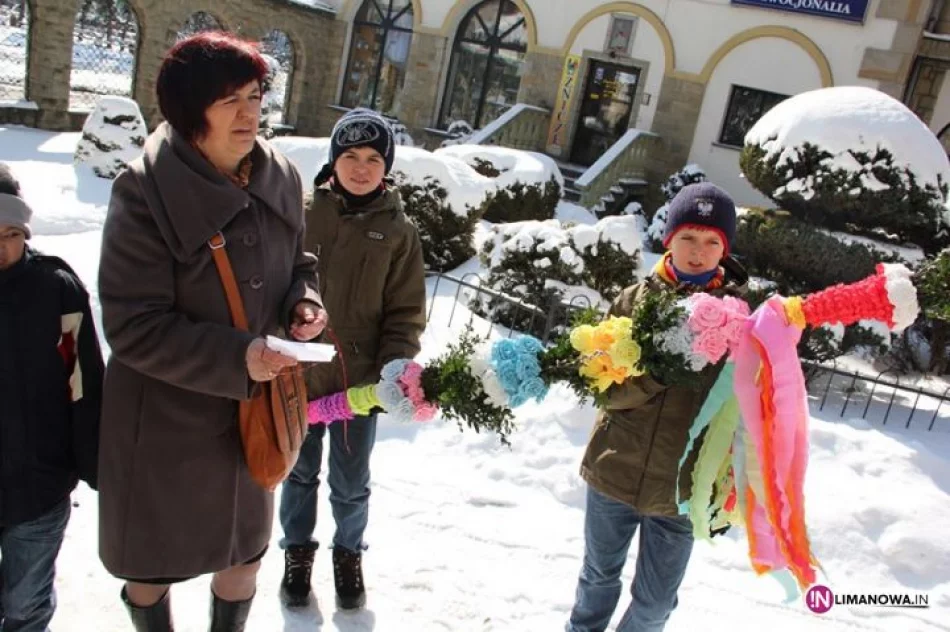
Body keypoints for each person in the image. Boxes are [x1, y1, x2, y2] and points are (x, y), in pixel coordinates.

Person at [96, 32, 326, 631]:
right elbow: (132, 324)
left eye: (254, 96)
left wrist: (303, 303)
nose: (250, 113)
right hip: (163, 423)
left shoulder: (278, 174)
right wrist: (238, 356)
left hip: (252, 423)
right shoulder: (145, 192)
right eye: (229, 100)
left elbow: (298, 263)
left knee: (244, 558)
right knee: (149, 570)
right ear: (189, 108)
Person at [566, 182, 749, 632]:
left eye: (712, 242)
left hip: (682, 490)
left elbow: (745, 412)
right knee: (596, 582)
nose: (698, 252)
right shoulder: (632, 301)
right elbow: (603, 386)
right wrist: (657, 373)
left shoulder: (741, 319)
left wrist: (729, 488)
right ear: (669, 239)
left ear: (724, 250)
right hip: (615, 469)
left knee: (654, 606)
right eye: (688, 237)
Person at [278, 108, 426, 611]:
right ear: (332, 161)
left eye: (372, 158)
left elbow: (405, 313)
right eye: (349, 156)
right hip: (297, 374)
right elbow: (274, 285)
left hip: (356, 385)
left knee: (350, 481)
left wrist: (394, 367)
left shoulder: (400, 232)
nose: (360, 168)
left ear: (386, 166)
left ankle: (348, 553)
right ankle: (296, 555)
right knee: (298, 474)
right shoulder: (300, 213)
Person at [0, 162, 103, 630]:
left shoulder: (55, 290)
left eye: (10, 234)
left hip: (37, 486)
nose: (1, 247)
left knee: (25, 607)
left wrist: (96, 466)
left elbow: (84, 385)